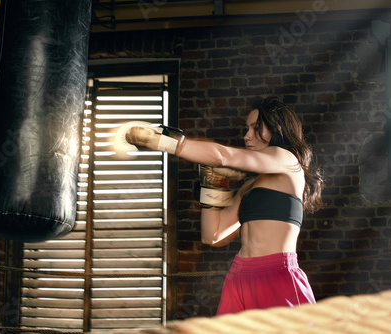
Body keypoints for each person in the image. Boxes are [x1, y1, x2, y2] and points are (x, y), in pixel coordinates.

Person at [118, 97, 324, 315]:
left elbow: (224, 156)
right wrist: (211, 186)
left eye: (256, 128)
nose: (247, 135)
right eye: (247, 128)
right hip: (239, 276)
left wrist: (163, 141)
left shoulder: (288, 160)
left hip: (276, 274)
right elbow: (213, 235)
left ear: (277, 129)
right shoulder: (249, 187)